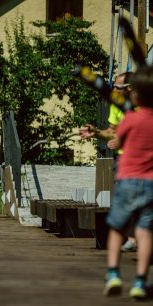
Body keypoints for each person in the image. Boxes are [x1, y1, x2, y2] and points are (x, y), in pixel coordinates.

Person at [103, 66, 153, 299]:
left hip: (128, 181)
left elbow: (117, 139)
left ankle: (113, 273)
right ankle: (140, 281)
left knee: (116, 228)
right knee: (145, 232)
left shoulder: (131, 119)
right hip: (151, 184)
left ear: (134, 95)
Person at [79, 72, 137, 252]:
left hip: (143, 158)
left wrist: (124, 139)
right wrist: (96, 132)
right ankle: (134, 238)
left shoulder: (144, 104)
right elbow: (113, 132)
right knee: (124, 198)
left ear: (129, 89)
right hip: (123, 159)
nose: (113, 90)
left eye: (117, 87)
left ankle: (136, 238)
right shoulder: (116, 106)